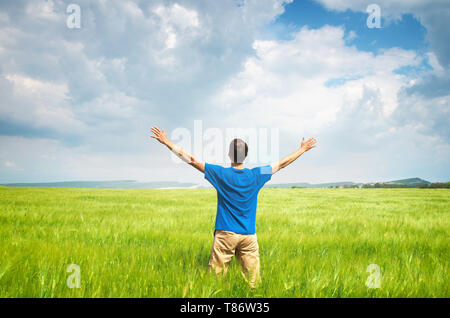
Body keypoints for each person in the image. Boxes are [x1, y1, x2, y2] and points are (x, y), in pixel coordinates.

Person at [150, 126, 317, 288]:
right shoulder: (256, 175)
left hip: (225, 234)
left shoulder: (221, 174)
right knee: (253, 283)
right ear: (246, 155)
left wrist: (167, 142)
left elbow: (192, 160)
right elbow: (281, 164)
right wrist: (302, 150)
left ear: (229, 154)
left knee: (214, 281)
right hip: (248, 236)